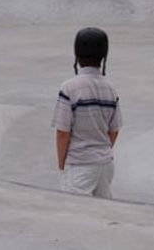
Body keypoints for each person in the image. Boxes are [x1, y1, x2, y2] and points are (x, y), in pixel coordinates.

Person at [52, 27, 122, 199]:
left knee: (74, 216)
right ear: (103, 57)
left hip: (79, 164)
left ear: (77, 55)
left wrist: (62, 165)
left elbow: (62, 132)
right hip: (105, 165)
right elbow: (114, 130)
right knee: (102, 214)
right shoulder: (110, 89)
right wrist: (100, 153)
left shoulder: (69, 88)